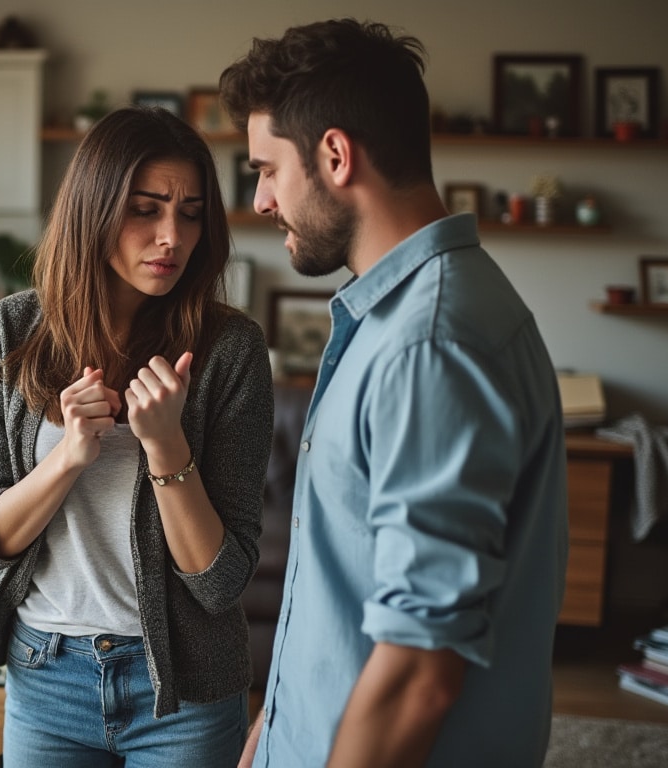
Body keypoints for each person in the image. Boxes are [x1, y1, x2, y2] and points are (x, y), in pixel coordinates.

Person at [218, 19, 569, 768]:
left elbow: (419, 668)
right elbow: (340, 599)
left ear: (336, 156)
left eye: (267, 170)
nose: (260, 201)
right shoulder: (395, 319)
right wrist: (272, 733)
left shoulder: (430, 343)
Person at [0, 105, 274, 768]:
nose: (171, 237)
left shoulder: (230, 350)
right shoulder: (14, 333)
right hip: (44, 676)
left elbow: (219, 583)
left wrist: (166, 447)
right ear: (93, 210)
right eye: (146, 208)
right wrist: (68, 457)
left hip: (182, 693)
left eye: (189, 212)